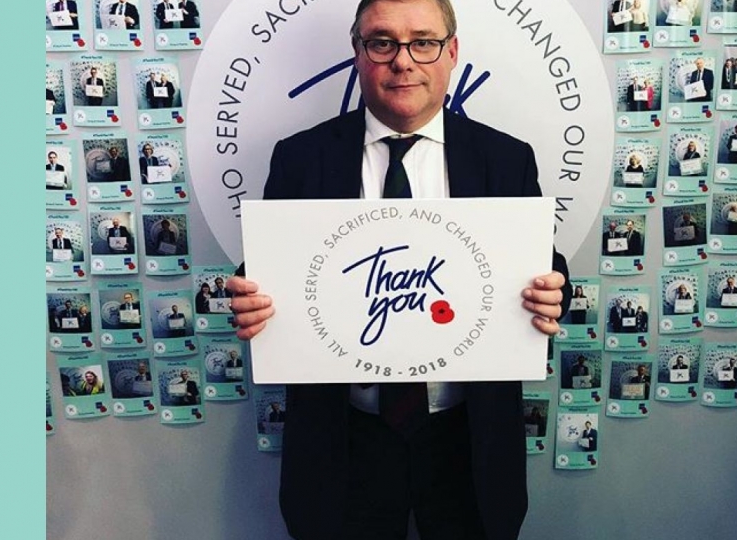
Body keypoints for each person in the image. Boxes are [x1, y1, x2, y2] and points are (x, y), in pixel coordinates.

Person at [226, 2, 573, 539]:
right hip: (344, 438)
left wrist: (555, 294)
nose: (403, 61)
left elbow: (542, 271)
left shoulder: (505, 158)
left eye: (424, 42)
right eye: (382, 42)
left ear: (452, 51)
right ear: (358, 53)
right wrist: (249, 303)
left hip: (467, 439)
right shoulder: (301, 158)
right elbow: (268, 276)